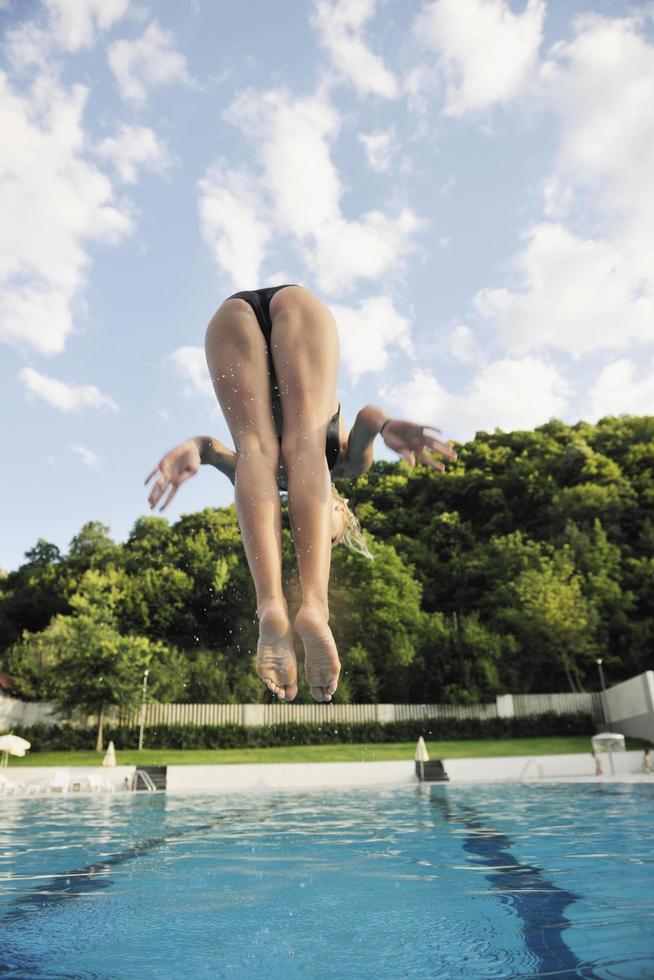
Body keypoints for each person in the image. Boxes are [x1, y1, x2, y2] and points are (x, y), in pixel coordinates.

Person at [146, 285, 456, 703]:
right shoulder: (346, 466)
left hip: (232, 316)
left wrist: (191, 448)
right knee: (305, 446)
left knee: (255, 451)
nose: (299, 527)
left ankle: (270, 605)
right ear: (339, 508)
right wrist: (387, 425)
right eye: (328, 532)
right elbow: (367, 417)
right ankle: (313, 606)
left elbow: (209, 450)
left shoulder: (263, 483)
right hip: (296, 308)